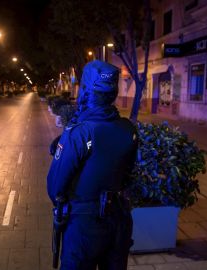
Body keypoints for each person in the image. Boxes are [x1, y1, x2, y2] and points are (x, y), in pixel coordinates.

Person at [47, 60, 138, 270]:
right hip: (119, 221)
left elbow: (54, 188)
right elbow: (127, 175)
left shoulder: (79, 132)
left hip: (83, 226)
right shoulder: (128, 129)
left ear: (86, 90)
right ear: (113, 92)